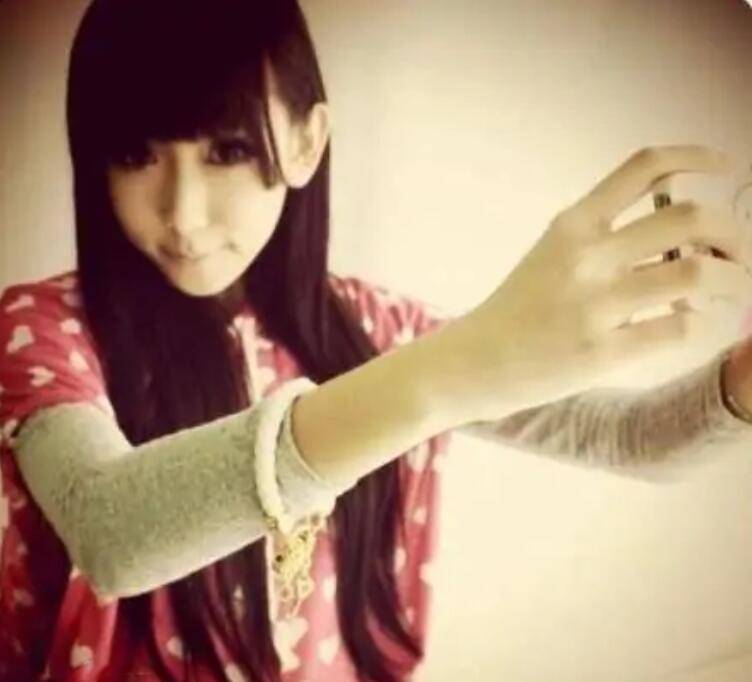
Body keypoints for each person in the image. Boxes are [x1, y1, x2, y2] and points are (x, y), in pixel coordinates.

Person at [1, 1, 752, 680]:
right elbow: (110, 529)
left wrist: (741, 384)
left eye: (227, 151)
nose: (183, 213)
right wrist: (459, 368)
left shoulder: (373, 328)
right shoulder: (42, 330)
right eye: (135, 155)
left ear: (306, 142)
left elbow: (625, 436)